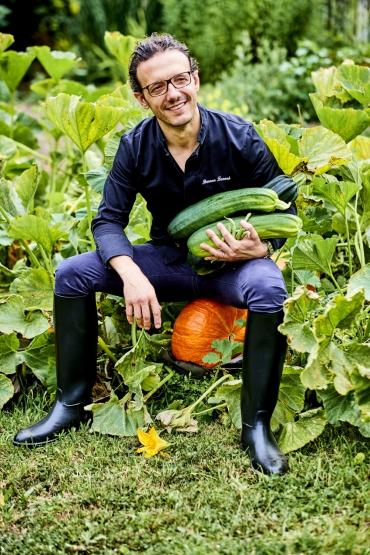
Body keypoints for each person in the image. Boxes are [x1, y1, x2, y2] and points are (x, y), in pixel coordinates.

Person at [13, 33, 296, 475]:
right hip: (167, 259)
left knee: (268, 287)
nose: (173, 93)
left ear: (195, 79)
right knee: (71, 273)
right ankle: (70, 404)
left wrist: (263, 246)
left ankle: (256, 426)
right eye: (157, 87)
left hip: (231, 262)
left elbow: (285, 198)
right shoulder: (135, 146)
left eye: (179, 79)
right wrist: (130, 273)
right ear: (141, 98)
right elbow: (108, 219)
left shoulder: (239, 137)